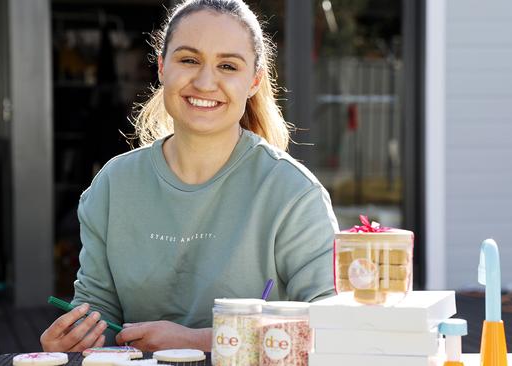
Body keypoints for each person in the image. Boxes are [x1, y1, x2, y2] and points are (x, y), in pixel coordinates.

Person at [40, 0, 339, 353]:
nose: (205, 81)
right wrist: (74, 340)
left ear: (254, 81)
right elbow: (98, 311)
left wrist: (199, 342)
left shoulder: (293, 192)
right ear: (162, 67)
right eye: (189, 60)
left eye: (227, 65)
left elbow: (330, 326)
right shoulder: (113, 185)